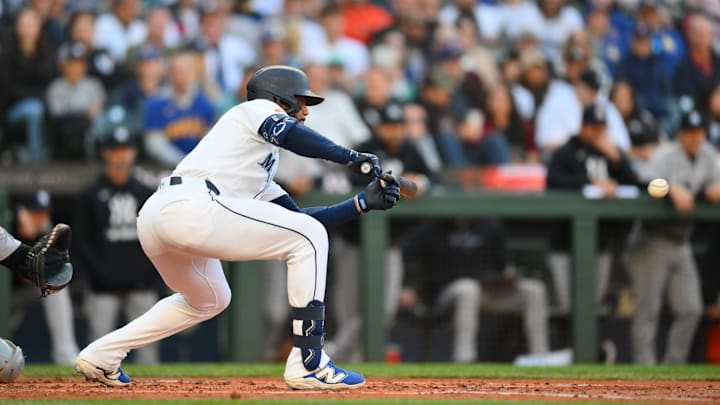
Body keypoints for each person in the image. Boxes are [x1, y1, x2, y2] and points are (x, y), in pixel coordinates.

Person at [74, 65, 401, 389]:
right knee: (307, 237)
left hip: (162, 215)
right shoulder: (255, 110)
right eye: (300, 101)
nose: (305, 111)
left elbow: (301, 221)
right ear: (278, 96)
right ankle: (308, 361)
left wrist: (360, 204)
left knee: (211, 298)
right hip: (192, 204)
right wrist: (351, 157)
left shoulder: (254, 165)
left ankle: (104, 353)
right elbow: (291, 135)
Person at [625, 109, 720, 364]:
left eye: (698, 133)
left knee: (691, 309)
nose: (693, 138)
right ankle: (644, 376)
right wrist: (669, 188)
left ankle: (671, 370)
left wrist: (714, 190)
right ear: (680, 133)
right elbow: (642, 182)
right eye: (689, 133)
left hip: (682, 241)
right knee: (648, 312)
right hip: (652, 237)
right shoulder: (665, 154)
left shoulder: (709, 156)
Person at [401, 218, 559, 364]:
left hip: (490, 291)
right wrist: (408, 287)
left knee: (534, 290)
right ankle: (464, 359)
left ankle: (540, 358)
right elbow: (406, 255)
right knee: (468, 288)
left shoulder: (490, 226)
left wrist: (506, 279)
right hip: (448, 292)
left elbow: (504, 266)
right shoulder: (432, 228)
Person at [74, 126, 161, 364]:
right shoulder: (90, 194)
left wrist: (149, 274)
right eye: (116, 150)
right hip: (103, 287)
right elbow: (82, 242)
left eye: (126, 150)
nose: (121, 155)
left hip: (141, 283)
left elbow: (158, 236)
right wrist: (96, 276)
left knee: (148, 352)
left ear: (133, 153)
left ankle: (153, 399)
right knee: (99, 350)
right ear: (106, 153)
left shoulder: (145, 192)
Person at [545, 104, 638, 313]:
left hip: (601, 242)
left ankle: (591, 347)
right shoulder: (566, 153)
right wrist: (589, 183)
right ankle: (569, 347)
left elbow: (635, 185)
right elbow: (553, 181)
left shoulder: (612, 155)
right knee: (569, 308)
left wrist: (618, 161)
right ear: (582, 127)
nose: (597, 133)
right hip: (565, 243)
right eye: (592, 127)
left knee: (593, 308)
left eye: (601, 128)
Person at [11, 190, 79, 365]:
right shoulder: (7, 229)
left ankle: (65, 355)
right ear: (21, 212)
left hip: (28, 290)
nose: (40, 218)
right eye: (34, 213)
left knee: (56, 288)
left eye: (43, 213)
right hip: (7, 294)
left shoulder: (49, 233)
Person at [143, 51, 215, 167]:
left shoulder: (205, 103)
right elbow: (154, 144)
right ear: (170, 75)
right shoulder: (157, 103)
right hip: (167, 168)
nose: (182, 76)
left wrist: (197, 162)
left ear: (194, 73)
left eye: (186, 71)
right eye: (177, 72)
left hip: (200, 167)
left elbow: (211, 140)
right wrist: (182, 163)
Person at [46, 41, 106, 160]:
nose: (75, 68)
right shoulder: (56, 87)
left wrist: (83, 114)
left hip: (90, 130)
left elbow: (98, 110)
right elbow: (58, 115)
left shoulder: (94, 85)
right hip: (65, 133)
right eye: (71, 63)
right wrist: (83, 113)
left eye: (79, 63)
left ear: (85, 66)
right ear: (63, 66)